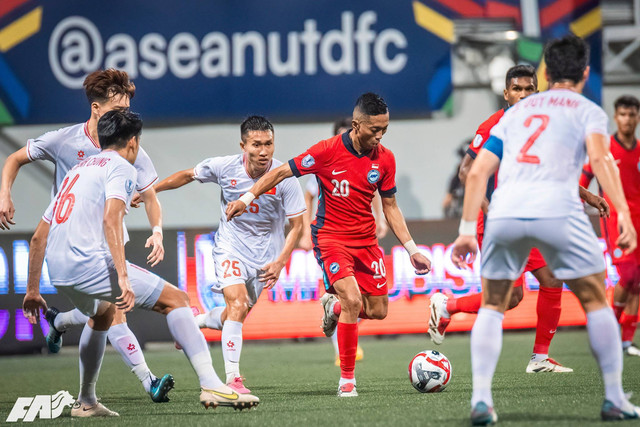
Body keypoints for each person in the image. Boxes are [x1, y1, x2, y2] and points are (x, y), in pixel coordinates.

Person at [451, 35, 639, 424]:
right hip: (557, 209)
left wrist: (468, 229)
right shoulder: (587, 110)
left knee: (493, 303)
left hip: (505, 211)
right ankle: (615, 398)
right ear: (585, 73)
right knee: (595, 300)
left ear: (547, 73)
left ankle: (482, 401)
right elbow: (602, 160)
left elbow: (477, 172)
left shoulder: (513, 113)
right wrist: (623, 212)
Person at [22, 109, 259, 417]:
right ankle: (211, 383)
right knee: (177, 300)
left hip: (59, 269)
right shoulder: (121, 167)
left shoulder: (76, 171)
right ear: (132, 143)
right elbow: (111, 220)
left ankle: (86, 402)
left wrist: (31, 289)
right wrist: (121, 276)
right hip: (89, 263)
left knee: (103, 315)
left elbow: (39, 237)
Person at [225, 93, 432, 397]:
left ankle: (332, 307)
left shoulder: (385, 159)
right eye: (374, 130)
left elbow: (390, 206)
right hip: (331, 238)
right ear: (355, 124)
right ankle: (347, 380)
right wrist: (247, 197)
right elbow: (282, 172)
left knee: (377, 311)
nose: (379, 136)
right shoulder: (326, 151)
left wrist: (412, 249)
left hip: (366, 241)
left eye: (384, 130)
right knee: (352, 298)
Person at [0, 69, 171, 401]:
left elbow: (150, 194)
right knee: (112, 308)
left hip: (110, 239)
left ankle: (60, 323)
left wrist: (157, 230)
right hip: (72, 240)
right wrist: (5, 194)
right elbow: (15, 158)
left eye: (126, 111)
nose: (123, 118)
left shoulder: (131, 146)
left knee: (105, 309)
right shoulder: (65, 140)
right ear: (95, 108)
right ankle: (147, 380)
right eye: (116, 111)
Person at [430, 64, 609, 373]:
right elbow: (466, 172)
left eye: (529, 89)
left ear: (536, 92)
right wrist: (488, 211)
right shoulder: (494, 125)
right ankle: (446, 305)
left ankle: (540, 358)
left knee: (552, 277)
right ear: (506, 93)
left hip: (531, 214)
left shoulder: (539, 125)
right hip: (500, 221)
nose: (523, 95)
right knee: (510, 297)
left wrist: (588, 195)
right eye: (517, 89)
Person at [149, 115, 306, 393]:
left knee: (236, 314)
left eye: (268, 143)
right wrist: (149, 192)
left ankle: (193, 322)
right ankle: (233, 379)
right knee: (237, 302)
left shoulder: (284, 178)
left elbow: (297, 225)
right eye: (256, 144)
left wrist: (281, 261)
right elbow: (187, 175)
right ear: (243, 145)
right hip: (230, 248)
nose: (263, 151)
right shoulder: (225, 167)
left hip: (265, 258)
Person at [581, 95, 640, 356]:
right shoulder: (603, 149)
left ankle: (626, 340)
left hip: (638, 219)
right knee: (628, 277)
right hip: (615, 219)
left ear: (637, 117)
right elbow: (584, 176)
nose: (627, 119)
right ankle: (610, 332)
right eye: (623, 114)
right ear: (616, 117)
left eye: (632, 114)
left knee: (639, 281)